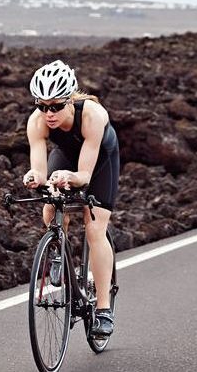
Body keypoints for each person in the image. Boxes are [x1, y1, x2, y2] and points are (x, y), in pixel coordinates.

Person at [23, 60, 119, 337]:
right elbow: (40, 170)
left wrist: (71, 177)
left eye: (55, 106)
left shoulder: (93, 115)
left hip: (100, 161)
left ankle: (103, 310)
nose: (48, 113)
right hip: (66, 156)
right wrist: (35, 177)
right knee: (50, 208)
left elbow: (85, 176)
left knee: (94, 227)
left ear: (69, 100)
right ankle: (58, 251)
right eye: (42, 106)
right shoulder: (36, 122)